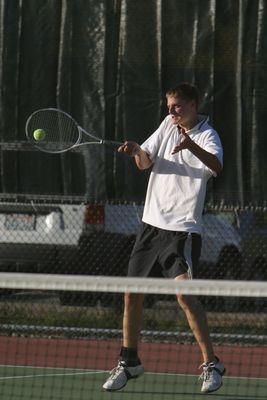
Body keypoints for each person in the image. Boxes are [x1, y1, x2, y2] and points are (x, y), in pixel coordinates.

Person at [102, 82, 225, 393]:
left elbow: (217, 166)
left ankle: (212, 364)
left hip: (182, 230)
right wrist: (136, 152)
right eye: (169, 106)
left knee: (185, 297)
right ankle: (129, 362)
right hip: (150, 226)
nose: (171, 112)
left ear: (193, 105)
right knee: (132, 294)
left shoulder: (208, 135)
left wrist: (190, 145)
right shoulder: (166, 125)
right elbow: (146, 163)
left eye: (177, 106)